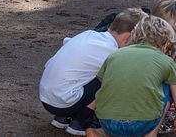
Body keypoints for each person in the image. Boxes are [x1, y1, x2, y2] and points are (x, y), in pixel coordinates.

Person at [39, 8, 146, 136]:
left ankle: (63, 117)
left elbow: (67, 44)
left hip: (47, 97)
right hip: (64, 102)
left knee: (86, 72)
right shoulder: (112, 52)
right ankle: (82, 120)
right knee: (113, 78)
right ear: (127, 39)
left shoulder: (89, 34)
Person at [94, 15, 176, 137]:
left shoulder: (115, 55)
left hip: (107, 122)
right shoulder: (167, 62)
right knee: (166, 86)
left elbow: (103, 86)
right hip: (140, 124)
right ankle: (150, 134)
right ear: (165, 45)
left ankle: (100, 132)